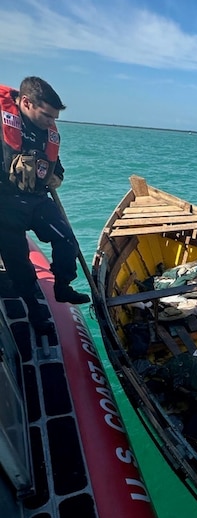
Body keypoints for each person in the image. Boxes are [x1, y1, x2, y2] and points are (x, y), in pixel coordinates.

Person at [0, 76, 90, 329]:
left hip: (37, 201)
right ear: (26, 103)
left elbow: (56, 166)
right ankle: (32, 307)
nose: (52, 123)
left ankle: (63, 285)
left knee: (66, 239)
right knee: (18, 261)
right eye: (48, 116)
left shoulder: (48, 132)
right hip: (5, 204)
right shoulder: (3, 122)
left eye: (55, 118)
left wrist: (57, 176)